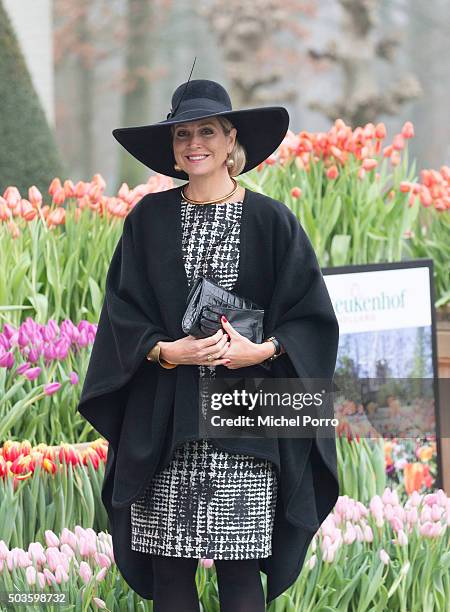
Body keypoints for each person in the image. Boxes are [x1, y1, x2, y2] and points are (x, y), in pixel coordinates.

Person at [77, 66, 340, 611]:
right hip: (166, 418)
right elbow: (121, 313)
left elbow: (311, 316)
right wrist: (164, 350)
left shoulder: (272, 221)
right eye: (183, 134)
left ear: (231, 143)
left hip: (243, 417)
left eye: (208, 132)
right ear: (174, 149)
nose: (195, 144)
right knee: (170, 575)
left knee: (240, 575)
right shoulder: (147, 220)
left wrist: (262, 350)